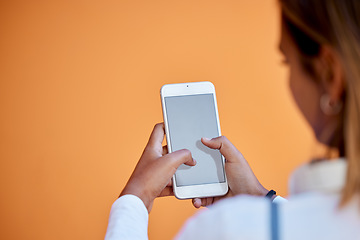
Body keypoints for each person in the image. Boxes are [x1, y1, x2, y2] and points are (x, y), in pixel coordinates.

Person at [105, 0, 360, 239]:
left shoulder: (226, 228)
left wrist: (135, 198)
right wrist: (261, 198)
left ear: (330, 74)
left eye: (287, 61)